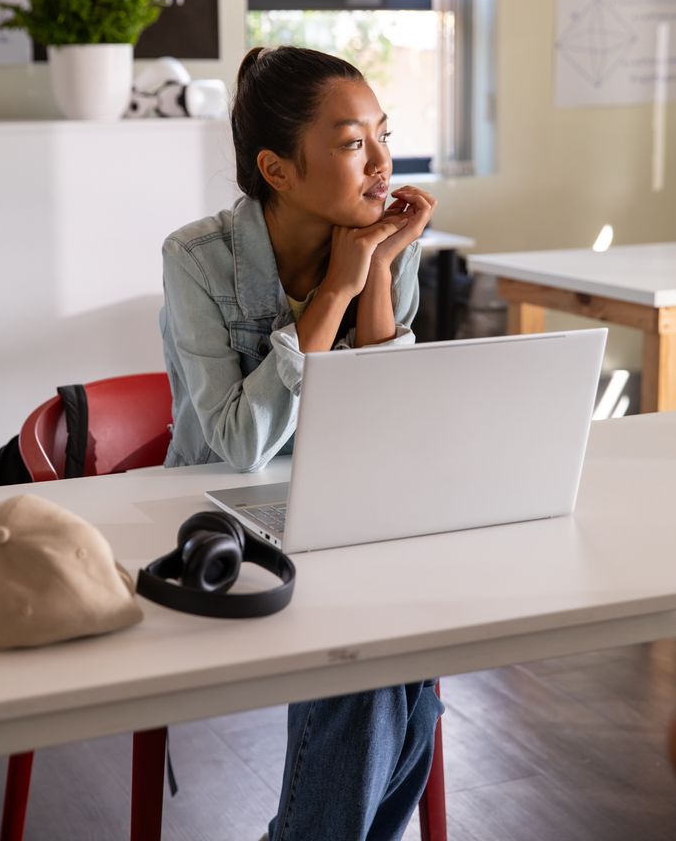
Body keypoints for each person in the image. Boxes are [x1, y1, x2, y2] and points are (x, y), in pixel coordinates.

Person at [160, 45, 442, 840]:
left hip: (335, 508)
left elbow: (381, 422)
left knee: (413, 649)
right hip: (215, 516)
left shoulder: (382, 242)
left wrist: (381, 269)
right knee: (372, 660)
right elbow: (238, 444)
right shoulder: (196, 260)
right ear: (278, 170)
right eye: (354, 144)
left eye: (384, 135)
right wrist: (336, 292)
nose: (383, 163)